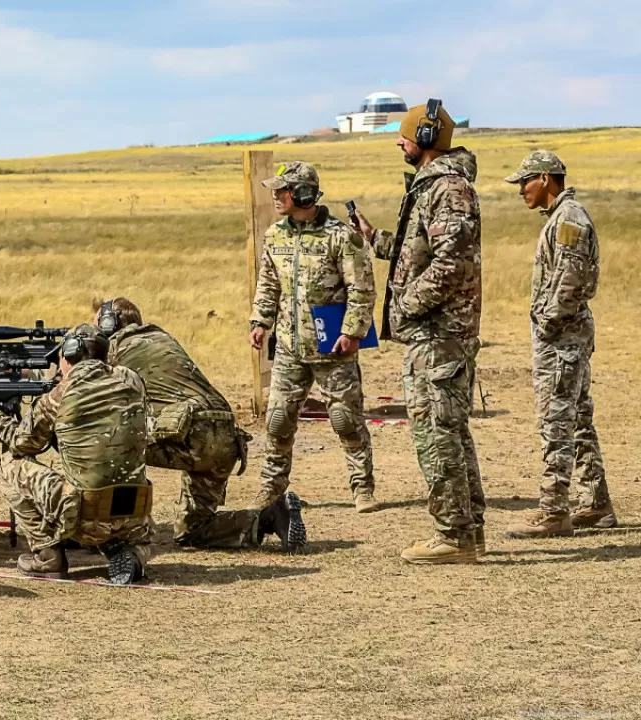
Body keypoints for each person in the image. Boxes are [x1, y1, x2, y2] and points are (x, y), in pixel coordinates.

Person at [352, 99, 487, 564]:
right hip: (434, 333)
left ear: (426, 140)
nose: (398, 141)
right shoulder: (432, 188)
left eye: (405, 134)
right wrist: (372, 237)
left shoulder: (448, 189)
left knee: (436, 435)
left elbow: (450, 264)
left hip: (439, 335)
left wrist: (405, 307)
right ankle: (469, 530)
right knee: (450, 431)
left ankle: (453, 536)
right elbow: (419, 254)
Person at [95, 296, 303, 550]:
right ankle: (271, 517)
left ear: (109, 325)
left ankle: (120, 526)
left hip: (190, 434)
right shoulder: (163, 339)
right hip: (226, 437)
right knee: (192, 531)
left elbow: (87, 396)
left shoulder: (117, 348)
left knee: (108, 440)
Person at [247, 161, 379, 514]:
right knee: (277, 422)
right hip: (290, 347)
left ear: (303, 194)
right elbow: (269, 283)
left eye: (283, 190)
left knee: (345, 420)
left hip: (332, 347)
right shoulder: (275, 236)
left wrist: (353, 332)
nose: (276, 196)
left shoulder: (341, 236)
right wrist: (260, 321)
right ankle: (271, 489)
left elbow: (362, 289)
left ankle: (362, 487)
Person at [502, 150, 616, 538]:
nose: (521, 190)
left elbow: (568, 282)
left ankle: (554, 511)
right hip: (566, 337)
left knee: (556, 423)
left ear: (546, 179)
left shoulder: (568, 220)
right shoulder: (562, 218)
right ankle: (595, 503)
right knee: (577, 419)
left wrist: (547, 325)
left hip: (562, 340)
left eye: (525, 181)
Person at [0, 323, 154, 584]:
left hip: (83, 519)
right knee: (138, 540)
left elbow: (23, 444)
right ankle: (131, 554)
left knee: (8, 462)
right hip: (134, 517)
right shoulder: (132, 380)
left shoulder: (60, 394)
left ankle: (47, 555)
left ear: (70, 353)